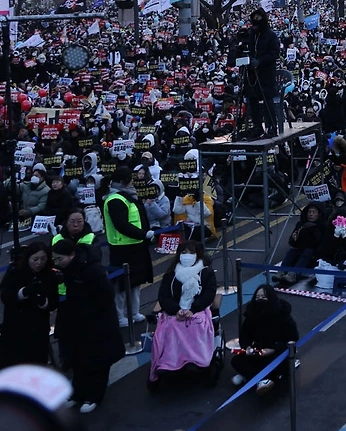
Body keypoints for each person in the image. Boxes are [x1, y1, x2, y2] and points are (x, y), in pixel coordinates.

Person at [51, 238, 124, 413]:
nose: (57, 263)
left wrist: (90, 312)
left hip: (98, 323)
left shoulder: (92, 270)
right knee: (79, 359)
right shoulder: (70, 269)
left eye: (59, 259)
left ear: (72, 255)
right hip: (79, 322)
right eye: (55, 259)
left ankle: (94, 396)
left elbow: (106, 297)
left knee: (98, 360)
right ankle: (77, 393)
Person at [151, 241, 219, 381]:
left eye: (191, 253)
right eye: (184, 253)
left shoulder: (206, 273)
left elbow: (209, 294)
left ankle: (197, 360)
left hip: (198, 310)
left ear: (197, 255)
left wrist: (193, 310)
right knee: (172, 325)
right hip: (175, 311)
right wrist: (176, 310)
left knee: (196, 324)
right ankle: (170, 361)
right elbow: (163, 296)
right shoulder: (170, 275)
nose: (187, 256)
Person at [102, 167, 155, 326]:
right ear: (123, 181)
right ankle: (119, 315)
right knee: (121, 285)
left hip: (136, 246)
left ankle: (134, 312)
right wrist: (143, 234)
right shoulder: (115, 199)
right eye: (130, 179)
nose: (133, 181)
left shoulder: (128, 196)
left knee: (135, 281)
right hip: (121, 247)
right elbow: (121, 225)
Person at [0, 242, 59, 367]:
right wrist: (24, 292)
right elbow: (5, 296)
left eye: (43, 259)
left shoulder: (49, 275)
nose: (39, 263)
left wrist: (43, 302)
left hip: (37, 329)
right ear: (28, 258)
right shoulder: (16, 272)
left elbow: (53, 302)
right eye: (35, 259)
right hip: (15, 328)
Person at [232, 284, 299, 393]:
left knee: (275, 363)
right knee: (236, 361)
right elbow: (244, 335)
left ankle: (251, 377)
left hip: (277, 353)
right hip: (258, 352)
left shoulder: (283, 316)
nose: (260, 300)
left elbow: (292, 339)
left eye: (263, 297)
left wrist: (274, 349)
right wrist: (247, 347)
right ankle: (261, 379)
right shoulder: (252, 313)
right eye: (257, 297)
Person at [246, 8, 281, 138]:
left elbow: (274, 54)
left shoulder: (271, 36)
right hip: (251, 74)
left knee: (267, 101)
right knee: (252, 99)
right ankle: (257, 127)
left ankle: (271, 127)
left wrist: (260, 61)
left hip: (266, 73)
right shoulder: (251, 35)